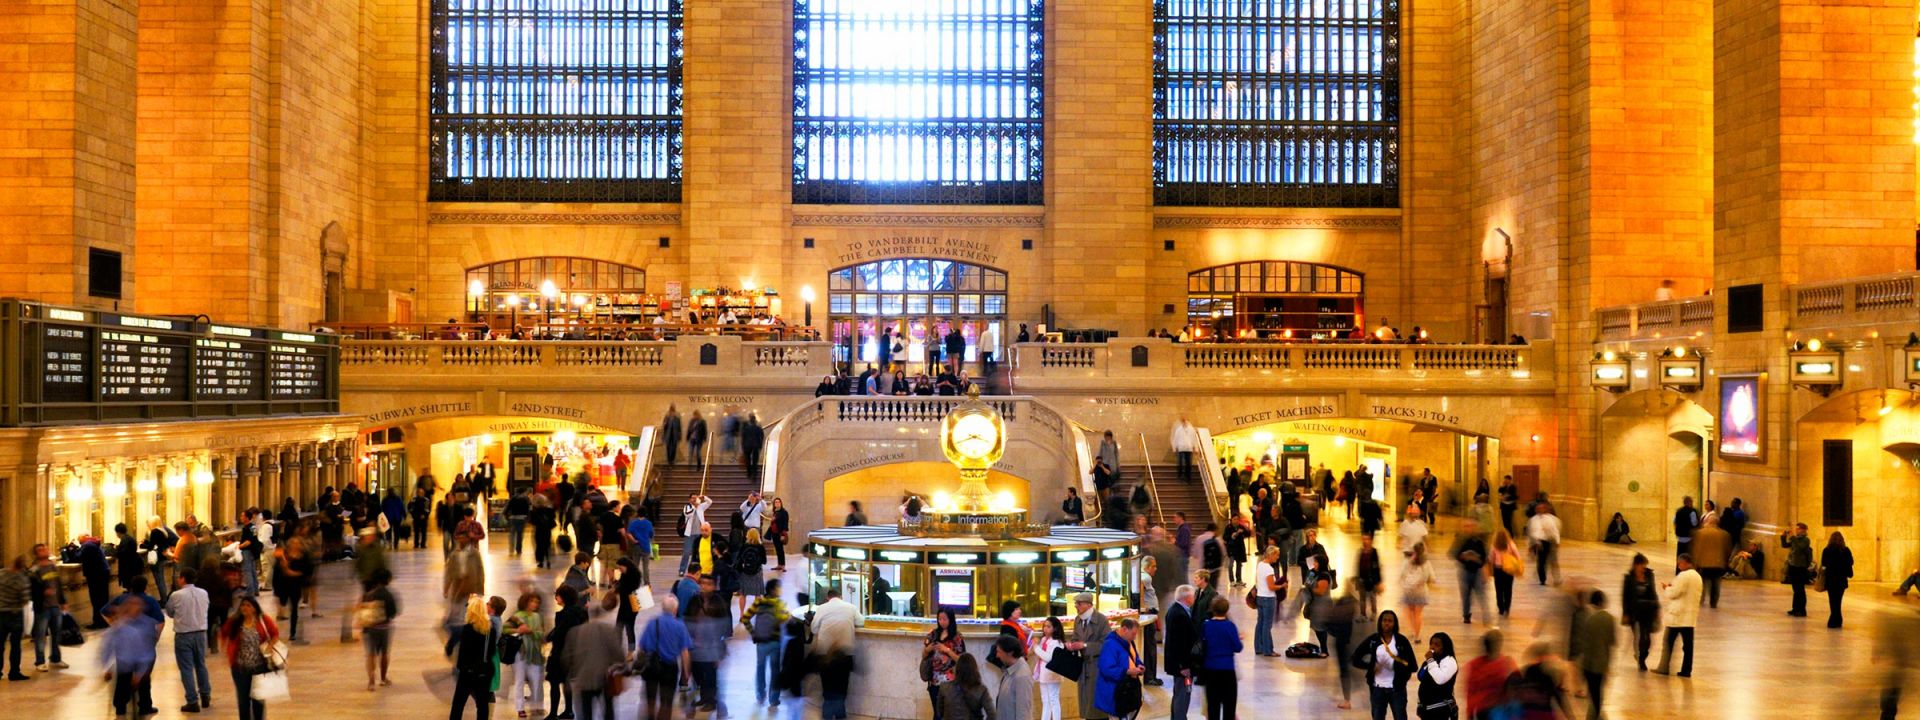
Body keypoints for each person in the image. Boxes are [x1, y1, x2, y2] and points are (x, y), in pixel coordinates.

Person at [561, 594, 626, 720]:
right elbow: (618, 654)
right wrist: (622, 668)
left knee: (586, 711)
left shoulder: (575, 632)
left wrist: (570, 676)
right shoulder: (610, 630)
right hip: (605, 677)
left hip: (584, 678)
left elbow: (567, 657)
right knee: (608, 709)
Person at [162, 567, 212, 711]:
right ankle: (205, 695)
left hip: (184, 634)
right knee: (201, 665)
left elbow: (170, 612)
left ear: (183, 578)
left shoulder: (176, 595)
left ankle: (192, 700)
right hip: (201, 633)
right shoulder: (203, 593)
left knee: (186, 668)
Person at [1352, 609, 1416, 720]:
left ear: (1395, 623)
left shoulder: (1402, 641)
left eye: (1390, 621)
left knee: (1400, 716)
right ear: (1380, 622)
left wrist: (1396, 667)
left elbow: (1413, 666)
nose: (1387, 623)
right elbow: (1355, 658)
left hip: (1397, 689)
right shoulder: (1373, 640)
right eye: (1384, 620)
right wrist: (1370, 667)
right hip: (1377, 689)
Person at [638, 594, 694, 720]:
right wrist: (686, 673)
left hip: (651, 666)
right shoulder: (680, 626)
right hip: (669, 668)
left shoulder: (652, 622)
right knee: (666, 701)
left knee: (650, 699)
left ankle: (650, 716)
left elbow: (641, 647)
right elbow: (685, 652)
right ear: (675, 609)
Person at [220, 595, 277, 720]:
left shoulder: (263, 620)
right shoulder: (235, 621)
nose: (244, 608)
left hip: (259, 667)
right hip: (240, 669)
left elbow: (274, 633)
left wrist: (270, 646)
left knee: (258, 701)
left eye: (248, 605)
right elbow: (223, 632)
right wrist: (226, 649)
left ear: (254, 608)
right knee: (243, 701)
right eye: (243, 605)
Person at [811, 588, 864, 720]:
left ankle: (827, 715)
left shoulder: (822, 608)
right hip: (844, 655)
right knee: (842, 686)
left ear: (828, 598)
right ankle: (840, 714)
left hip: (825, 654)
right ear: (840, 596)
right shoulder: (851, 607)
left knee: (827, 686)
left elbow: (813, 628)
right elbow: (861, 622)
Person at [449, 596, 499, 720]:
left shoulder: (465, 629)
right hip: (484, 671)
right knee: (482, 705)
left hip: (467, 672)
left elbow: (456, 650)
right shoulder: (490, 630)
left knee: (458, 705)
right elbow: (492, 651)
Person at [1651, 554, 1701, 678]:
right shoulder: (1697, 576)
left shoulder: (1683, 576)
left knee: (1668, 642)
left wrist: (1667, 588)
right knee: (1688, 646)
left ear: (1685, 562)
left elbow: (1673, 593)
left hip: (1677, 617)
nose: (1679, 566)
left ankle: (1663, 667)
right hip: (1690, 617)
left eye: (1680, 564)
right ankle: (1686, 670)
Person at [689, 584, 734, 717]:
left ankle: (713, 702)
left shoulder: (715, 609)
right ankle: (705, 699)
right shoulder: (697, 603)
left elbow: (721, 630)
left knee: (710, 677)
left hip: (710, 650)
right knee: (701, 676)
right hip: (698, 649)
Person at [1067, 592, 1112, 719]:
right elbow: (1076, 638)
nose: (1076, 606)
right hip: (1084, 668)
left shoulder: (1102, 620)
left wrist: (1085, 646)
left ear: (1088, 605)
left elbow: (1106, 645)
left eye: (1079, 604)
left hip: (1097, 667)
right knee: (1086, 704)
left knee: (1098, 706)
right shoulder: (1078, 620)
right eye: (1076, 603)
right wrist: (1072, 645)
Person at [1571, 590, 1615, 720]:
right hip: (1601, 662)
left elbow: (1577, 639)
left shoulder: (1582, 615)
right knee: (1598, 692)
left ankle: (1593, 715)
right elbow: (1611, 641)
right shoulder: (1608, 618)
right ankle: (1595, 715)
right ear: (1601, 602)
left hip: (1586, 662)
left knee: (1592, 691)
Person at [502, 592, 547, 718]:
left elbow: (541, 634)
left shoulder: (538, 617)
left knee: (536, 681)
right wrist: (518, 630)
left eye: (537, 602)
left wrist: (531, 632)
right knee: (519, 680)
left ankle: (536, 706)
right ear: (525, 602)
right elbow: (505, 629)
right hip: (519, 653)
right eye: (532, 601)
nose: (534, 604)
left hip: (535, 653)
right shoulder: (517, 616)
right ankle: (520, 707)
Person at [748, 578, 790, 708]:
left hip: (760, 642)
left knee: (760, 668)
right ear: (773, 589)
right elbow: (785, 619)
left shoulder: (758, 602)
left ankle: (760, 695)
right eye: (779, 587)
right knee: (775, 670)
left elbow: (744, 619)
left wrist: (753, 632)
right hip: (775, 642)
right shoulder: (779, 604)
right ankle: (773, 699)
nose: (781, 590)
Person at [544, 586, 585, 719]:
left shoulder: (564, 615)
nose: (556, 598)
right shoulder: (581, 612)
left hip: (560, 653)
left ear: (563, 597)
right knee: (567, 682)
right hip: (575, 653)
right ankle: (568, 710)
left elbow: (560, 632)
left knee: (554, 682)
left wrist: (547, 638)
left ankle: (553, 713)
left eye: (558, 595)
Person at [27, 544, 68, 672]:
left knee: (56, 634)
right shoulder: (34, 570)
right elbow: (30, 590)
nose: (44, 551)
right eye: (41, 550)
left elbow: (58, 585)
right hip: (43, 607)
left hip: (55, 605)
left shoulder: (52, 567)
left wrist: (62, 601)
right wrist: (42, 593)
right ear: (36, 554)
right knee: (40, 635)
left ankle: (55, 658)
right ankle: (40, 661)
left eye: (45, 548)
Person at [1094, 617, 1145, 719]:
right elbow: (1106, 669)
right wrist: (1128, 671)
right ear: (1124, 629)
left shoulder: (1129, 642)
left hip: (1127, 690)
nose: (1134, 637)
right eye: (1133, 634)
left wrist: (1139, 665)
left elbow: (1135, 657)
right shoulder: (1110, 645)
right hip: (1115, 693)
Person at [358, 567, 399, 691]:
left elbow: (362, 609)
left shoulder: (368, 594)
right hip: (384, 628)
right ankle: (383, 678)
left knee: (371, 654)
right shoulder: (388, 594)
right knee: (384, 654)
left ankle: (371, 681)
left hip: (369, 628)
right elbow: (393, 612)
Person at [1462, 629, 1517, 720]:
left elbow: (1470, 692)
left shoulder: (1474, 665)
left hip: (1482, 710)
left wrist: (1469, 713)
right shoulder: (1507, 663)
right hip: (1499, 709)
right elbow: (1517, 688)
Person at [923, 608, 968, 719]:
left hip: (950, 682)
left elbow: (961, 659)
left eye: (944, 619)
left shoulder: (957, 637)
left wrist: (947, 650)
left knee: (948, 713)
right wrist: (927, 650)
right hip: (934, 680)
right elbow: (924, 657)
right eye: (939, 619)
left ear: (950, 619)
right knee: (937, 713)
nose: (941, 621)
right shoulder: (933, 634)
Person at [1620, 553, 1660, 672]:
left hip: (1648, 610)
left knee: (1647, 638)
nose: (1644, 568)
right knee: (1638, 636)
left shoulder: (1649, 575)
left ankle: (1642, 656)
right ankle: (1640, 660)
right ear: (1636, 565)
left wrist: (1657, 608)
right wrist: (1625, 613)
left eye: (1645, 565)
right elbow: (1625, 597)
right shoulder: (1628, 578)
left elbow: (1653, 591)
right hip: (1634, 611)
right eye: (1642, 565)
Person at [1163, 585, 1197, 720]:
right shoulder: (1180, 615)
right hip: (1182, 666)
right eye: (1193, 596)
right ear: (1187, 598)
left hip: (1178, 664)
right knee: (1182, 695)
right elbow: (1179, 643)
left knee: (1179, 693)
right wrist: (1184, 666)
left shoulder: (1176, 610)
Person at [1450, 520, 1490, 625]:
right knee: (1466, 595)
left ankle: (1486, 616)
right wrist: (1463, 556)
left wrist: (1477, 560)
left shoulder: (1480, 541)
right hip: (1464, 571)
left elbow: (1485, 557)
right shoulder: (1460, 540)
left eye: (1472, 526)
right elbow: (1453, 553)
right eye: (1467, 526)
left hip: (1478, 571)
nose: (1469, 528)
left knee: (1481, 594)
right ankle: (1466, 616)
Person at [1031, 616, 1068, 720]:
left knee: (1053, 700)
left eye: (1048, 626)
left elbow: (1049, 658)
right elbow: (1040, 655)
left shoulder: (1057, 642)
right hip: (1043, 674)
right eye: (1044, 626)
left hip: (1053, 674)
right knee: (1045, 701)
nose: (1045, 629)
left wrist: (1035, 647)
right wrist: (1036, 646)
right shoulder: (1044, 639)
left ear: (1055, 628)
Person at [940, 652, 996, 720]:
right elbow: (992, 715)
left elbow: (940, 712)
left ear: (957, 669)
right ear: (975, 669)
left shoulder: (944, 687)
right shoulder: (981, 689)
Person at [1691, 516, 1732, 609]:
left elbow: (1696, 549)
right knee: (1716, 584)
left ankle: (1700, 599)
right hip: (1718, 563)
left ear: (1707, 522)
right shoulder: (1724, 534)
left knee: (1702, 583)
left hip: (1703, 563)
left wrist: (1695, 562)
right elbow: (1728, 549)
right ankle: (1713, 602)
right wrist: (1725, 560)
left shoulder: (1699, 533)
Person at [1415, 632, 1458, 720]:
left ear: (1445, 647)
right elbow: (1422, 680)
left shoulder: (1449, 661)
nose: (1432, 647)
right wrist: (1420, 704)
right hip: (1427, 708)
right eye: (1431, 644)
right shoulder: (1430, 661)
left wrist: (1430, 660)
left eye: (1437, 645)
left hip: (1440, 708)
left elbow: (1440, 679)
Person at [993, 634, 1034, 720]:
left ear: (1010, 653)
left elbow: (1023, 712)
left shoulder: (1022, 676)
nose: (997, 655)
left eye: (999, 651)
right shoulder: (1010, 669)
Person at [0, 557, 27, 682]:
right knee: (15, 645)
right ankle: (14, 672)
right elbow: (25, 598)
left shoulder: (1, 574)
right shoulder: (21, 579)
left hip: (1, 613)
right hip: (15, 615)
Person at [1252, 546, 1282, 657]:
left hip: (1260, 597)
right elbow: (1271, 587)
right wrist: (1282, 585)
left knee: (1260, 622)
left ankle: (1258, 647)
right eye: (1277, 555)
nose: (1278, 557)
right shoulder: (1269, 569)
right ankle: (1268, 650)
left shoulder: (1260, 564)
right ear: (1271, 554)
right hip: (1268, 599)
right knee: (1267, 625)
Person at [1401, 544, 1434, 643]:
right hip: (1421, 591)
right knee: (1418, 614)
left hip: (1409, 591)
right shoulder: (1426, 562)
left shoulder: (1408, 562)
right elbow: (1431, 577)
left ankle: (1412, 630)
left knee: (1410, 611)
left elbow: (1402, 574)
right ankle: (1417, 636)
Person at [1822, 531, 1855, 628]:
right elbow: (1851, 562)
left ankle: (1833, 620)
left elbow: (1824, 563)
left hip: (1831, 579)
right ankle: (1838, 620)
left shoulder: (1827, 550)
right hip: (1841, 580)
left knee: (1832, 600)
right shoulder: (1846, 550)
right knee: (1838, 600)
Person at [1781, 522, 1814, 617]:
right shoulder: (1796, 539)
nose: (1796, 530)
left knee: (1800, 589)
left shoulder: (1805, 540)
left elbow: (1800, 547)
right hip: (1793, 566)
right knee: (1795, 589)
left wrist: (1792, 537)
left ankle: (1802, 610)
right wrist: (1783, 537)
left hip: (1800, 567)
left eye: (1798, 529)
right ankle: (1795, 608)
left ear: (1803, 530)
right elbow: (1785, 545)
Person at [1525, 502, 1562, 585]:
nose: (1540, 510)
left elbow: (1554, 531)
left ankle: (1556, 578)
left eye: (1542, 508)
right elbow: (1531, 532)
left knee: (1553, 561)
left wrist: (1557, 541)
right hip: (1539, 543)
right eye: (1538, 508)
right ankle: (1542, 579)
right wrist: (1531, 545)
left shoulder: (1550, 519)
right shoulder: (1533, 520)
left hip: (1550, 541)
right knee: (1541, 561)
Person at [1487, 529, 1518, 619]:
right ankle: (1507, 607)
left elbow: (1490, 558)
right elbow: (1517, 556)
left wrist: (1491, 569)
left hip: (1498, 570)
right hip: (1509, 570)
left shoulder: (1494, 546)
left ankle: (1500, 607)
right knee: (1508, 589)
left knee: (1499, 589)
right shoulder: (1511, 545)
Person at [679, 493, 712, 573]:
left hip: (700, 533)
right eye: (692, 498)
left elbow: (710, 502)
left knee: (696, 552)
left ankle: (692, 570)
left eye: (695, 498)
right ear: (689, 499)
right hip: (689, 534)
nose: (694, 499)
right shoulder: (687, 507)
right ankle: (682, 569)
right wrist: (694, 506)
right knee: (687, 552)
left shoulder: (701, 507)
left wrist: (704, 497)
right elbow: (688, 514)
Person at [1171, 416, 1199, 483]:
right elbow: (1175, 438)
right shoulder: (1179, 429)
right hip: (1181, 448)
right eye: (1184, 421)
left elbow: (1194, 439)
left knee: (1188, 463)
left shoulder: (1191, 429)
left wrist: (1196, 448)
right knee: (1180, 462)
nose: (1185, 422)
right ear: (1182, 422)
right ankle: (1180, 475)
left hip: (1189, 448)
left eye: (1186, 421)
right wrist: (1174, 447)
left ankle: (1188, 477)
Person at [1671, 497, 1700, 564]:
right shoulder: (1692, 511)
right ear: (1690, 502)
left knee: (1680, 555)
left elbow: (1674, 521)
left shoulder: (1678, 511)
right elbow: (1694, 523)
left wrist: (1676, 530)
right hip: (1689, 537)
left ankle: (1679, 569)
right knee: (1688, 556)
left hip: (1680, 537)